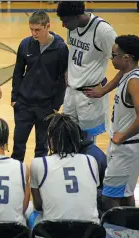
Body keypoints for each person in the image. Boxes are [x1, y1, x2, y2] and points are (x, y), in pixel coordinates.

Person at [27, 113, 100, 238]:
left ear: (51, 139)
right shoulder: (91, 161)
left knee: (29, 210)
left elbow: (38, 205)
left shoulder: (39, 163)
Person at [87, 35, 139, 211]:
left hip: (127, 147)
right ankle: (131, 232)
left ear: (126, 58)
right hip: (121, 144)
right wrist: (103, 91)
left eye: (114, 55)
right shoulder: (127, 72)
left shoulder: (135, 82)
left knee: (110, 197)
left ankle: (116, 232)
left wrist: (122, 136)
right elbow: (119, 75)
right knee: (124, 193)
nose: (111, 58)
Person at [56, 1, 119, 142]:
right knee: (68, 138)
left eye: (65, 21)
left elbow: (127, 66)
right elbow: (74, 53)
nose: (63, 25)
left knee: (88, 143)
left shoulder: (103, 31)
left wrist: (104, 90)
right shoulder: (72, 27)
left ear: (77, 16)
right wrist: (67, 70)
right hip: (71, 93)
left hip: (89, 95)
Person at [11, 10, 68, 162]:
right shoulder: (25, 44)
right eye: (31, 29)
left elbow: (62, 79)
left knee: (42, 147)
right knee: (18, 146)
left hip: (46, 106)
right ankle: (16, 178)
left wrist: (56, 105)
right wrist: (14, 98)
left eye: (37, 30)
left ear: (47, 26)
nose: (34, 33)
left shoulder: (61, 48)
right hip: (24, 104)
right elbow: (17, 72)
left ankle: (39, 180)